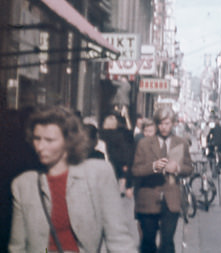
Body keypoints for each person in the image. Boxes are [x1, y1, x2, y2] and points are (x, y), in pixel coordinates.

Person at [9, 106, 136, 253]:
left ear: (68, 141)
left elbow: (118, 238)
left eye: (49, 140)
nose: (41, 147)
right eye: (37, 139)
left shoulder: (98, 174)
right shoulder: (24, 184)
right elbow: (17, 247)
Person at [132, 107, 193, 253]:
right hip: (148, 197)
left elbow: (189, 168)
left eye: (166, 123)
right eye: (160, 123)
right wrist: (153, 167)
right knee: (148, 242)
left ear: (173, 123)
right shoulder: (145, 143)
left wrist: (177, 168)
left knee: (167, 242)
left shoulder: (181, 143)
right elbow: (136, 170)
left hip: (171, 199)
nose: (163, 127)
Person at [99, 113, 135, 197]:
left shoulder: (100, 135)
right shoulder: (119, 135)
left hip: (102, 162)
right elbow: (123, 151)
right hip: (115, 162)